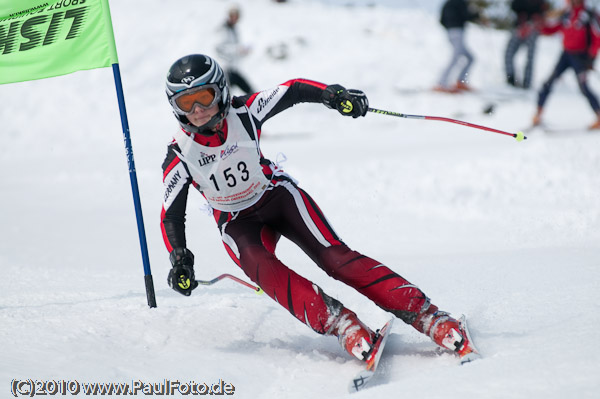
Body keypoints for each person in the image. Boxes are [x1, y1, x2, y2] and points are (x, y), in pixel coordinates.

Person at [161, 54, 477, 365]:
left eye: (204, 97)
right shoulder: (179, 153)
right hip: (236, 222)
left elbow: (294, 89)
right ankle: (343, 325)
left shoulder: (245, 110)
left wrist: (333, 95)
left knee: (335, 259)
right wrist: (180, 258)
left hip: (276, 197)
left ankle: (428, 316)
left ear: (222, 92)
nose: (199, 110)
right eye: (186, 103)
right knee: (262, 269)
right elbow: (171, 215)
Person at [533, 0, 600, 128]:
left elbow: (597, 37)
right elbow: (554, 29)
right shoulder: (566, 14)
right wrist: (541, 26)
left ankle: (599, 115)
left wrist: (591, 57)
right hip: (566, 55)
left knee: (584, 87)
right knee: (548, 82)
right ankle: (538, 114)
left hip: (581, 57)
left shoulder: (589, 15)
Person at [435, 0, 480, 92]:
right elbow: (466, 16)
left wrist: (449, 28)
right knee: (456, 57)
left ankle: (461, 81)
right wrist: (476, 14)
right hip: (458, 32)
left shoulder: (447, 3)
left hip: (450, 32)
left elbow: (441, 20)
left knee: (470, 58)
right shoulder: (460, 2)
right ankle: (441, 83)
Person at [504, 0, 548, 89]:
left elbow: (543, 14)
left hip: (533, 30)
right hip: (519, 28)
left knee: (530, 57)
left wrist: (534, 24)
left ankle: (527, 83)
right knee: (509, 54)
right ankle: (511, 79)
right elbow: (514, 6)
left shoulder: (540, 3)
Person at [215, 6, 255, 95]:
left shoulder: (234, 29)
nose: (235, 18)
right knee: (226, 95)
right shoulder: (222, 30)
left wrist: (243, 52)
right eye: (233, 16)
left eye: (237, 16)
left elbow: (235, 49)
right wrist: (237, 49)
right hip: (225, 69)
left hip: (234, 68)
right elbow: (219, 48)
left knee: (250, 91)